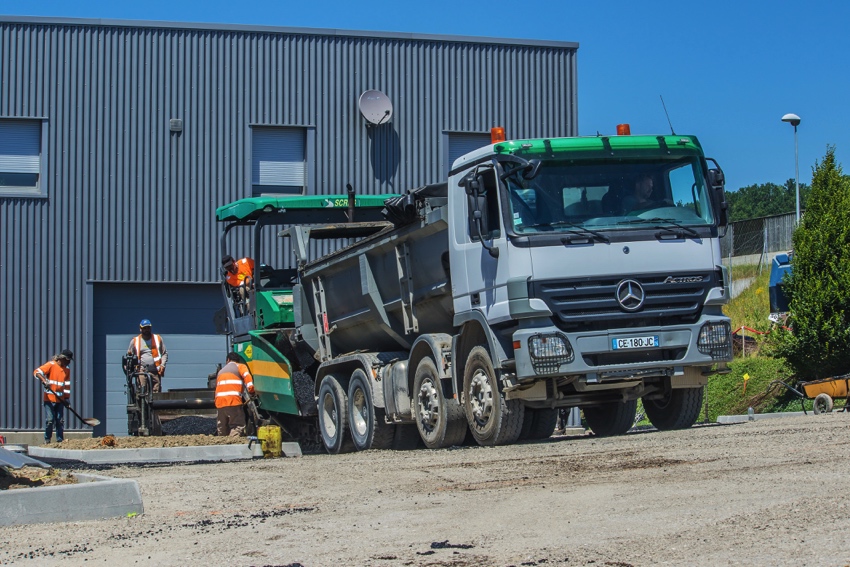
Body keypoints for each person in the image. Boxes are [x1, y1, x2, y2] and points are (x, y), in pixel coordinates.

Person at [33, 349, 74, 443]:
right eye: (68, 360)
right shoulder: (51, 365)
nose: (69, 362)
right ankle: (47, 439)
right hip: (49, 398)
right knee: (50, 420)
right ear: (63, 358)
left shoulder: (66, 370)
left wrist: (66, 399)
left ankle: (60, 440)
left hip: (60, 400)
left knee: (59, 420)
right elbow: (37, 372)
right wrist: (44, 380)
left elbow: (66, 385)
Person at [214, 352, 255, 437]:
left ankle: (222, 445)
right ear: (238, 360)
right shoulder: (240, 366)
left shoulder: (221, 371)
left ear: (228, 360)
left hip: (220, 403)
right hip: (233, 401)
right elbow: (247, 377)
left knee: (222, 427)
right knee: (237, 425)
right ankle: (233, 446)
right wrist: (252, 391)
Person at [127, 319, 167, 393]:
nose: (146, 330)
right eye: (144, 328)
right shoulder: (135, 341)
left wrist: (162, 365)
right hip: (141, 371)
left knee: (156, 392)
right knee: (142, 391)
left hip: (155, 371)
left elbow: (164, 353)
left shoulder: (157, 339)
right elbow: (129, 356)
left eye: (148, 328)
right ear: (140, 329)